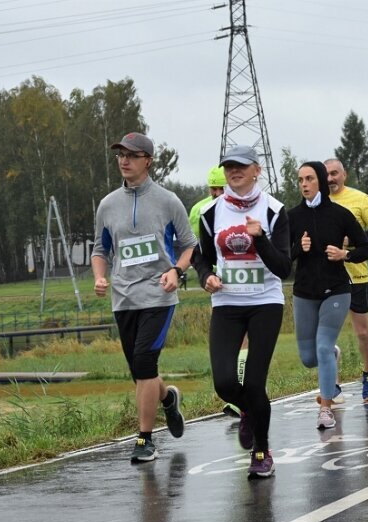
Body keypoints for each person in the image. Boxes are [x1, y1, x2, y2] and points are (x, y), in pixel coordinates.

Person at [91, 132, 197, 462]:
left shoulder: (168, 201)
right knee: (140, 373)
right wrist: (99, 275)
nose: (124, 160)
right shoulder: (108, 205)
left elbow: (189, 245)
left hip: (158, 296)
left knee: (144, 363)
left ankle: (145, 438)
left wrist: (176, 272)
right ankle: (167, 399)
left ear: (148, 161)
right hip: (124, 298)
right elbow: (100, 249)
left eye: (132, 155)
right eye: (120, 155)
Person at [192, 144, 291, 479]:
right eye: (229, 167)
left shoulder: (274, 210)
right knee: (223, 383)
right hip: (227, 304)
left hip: (265, 302)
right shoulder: (211, 213)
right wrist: (206, 276)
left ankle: (261, 451)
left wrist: (260, 239)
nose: (234, 172)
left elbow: (284, 267)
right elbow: (200, 256)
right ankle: (250, 411)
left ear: (256, 170)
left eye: (241, 166)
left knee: (253, 381)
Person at [288, 161, 368, 429]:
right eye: (300, 179)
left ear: (321, 182)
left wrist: (344, 254)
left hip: (337, 289)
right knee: (309, 358)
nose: (304, 184)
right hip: (304, 292)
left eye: (309, 179)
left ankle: (326, 409)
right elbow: (282, 257)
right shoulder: (292, 217)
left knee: (322, 346)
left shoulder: (340, 214)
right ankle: (331, 356)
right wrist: (298, 249)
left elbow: (366, 248)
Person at [325, 158, 368, 402]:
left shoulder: (359, 199)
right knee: (327, 333)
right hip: (328, 277)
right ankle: (333, 385)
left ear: (344, 175)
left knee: (362, 332)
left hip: (357, 274)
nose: (330, 178)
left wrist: (351, 242)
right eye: (326, 174)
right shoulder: (317, 203)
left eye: (334, 173)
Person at [187, 166, 247, 418]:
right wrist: (206, 276)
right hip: (219, 282)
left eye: (221, 188)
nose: (216, 193)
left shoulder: (246, 206)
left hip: (246, 279)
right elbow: (194, 251)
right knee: (230, 340)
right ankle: (238, 390)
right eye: (212, 188)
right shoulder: (199, 211)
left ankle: (242, 394)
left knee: (247, 338)